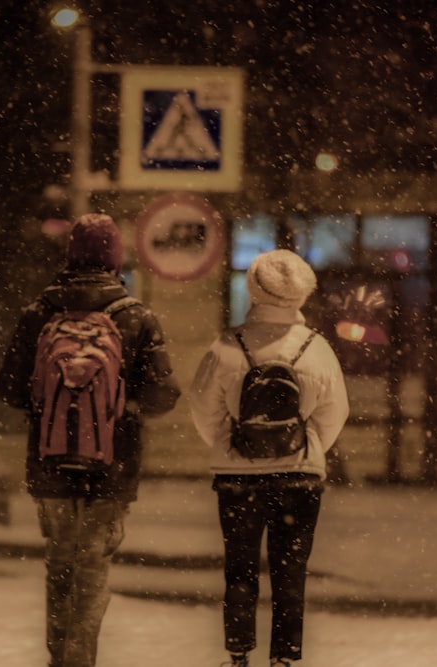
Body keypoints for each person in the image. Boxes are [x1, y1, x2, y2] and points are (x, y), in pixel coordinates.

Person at [0, 213, 181, 667]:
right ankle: (81, 659)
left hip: (50, 460)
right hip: (112, 464)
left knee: (60, 564)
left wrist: (53, 407)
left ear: (70, 256)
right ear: (116, 259)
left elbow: (10, 389)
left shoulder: (40, 313)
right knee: (93, 568)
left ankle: (59, 659)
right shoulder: (136, 317)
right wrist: (122, 408)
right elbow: (162, 394)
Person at [190, 249, 349, 667]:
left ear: (254, 290)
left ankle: (239, 653)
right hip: (299, 478)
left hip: (238, 478)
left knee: (239, 569)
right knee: (290, 570)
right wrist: (304, 448)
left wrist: (235, 446)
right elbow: (334, 417)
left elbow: (204, 410)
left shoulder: (227, 346)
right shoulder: (318, 350)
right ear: (301, 295)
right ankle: (284, 659)